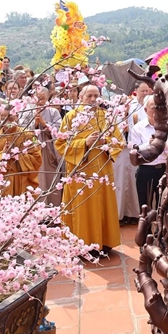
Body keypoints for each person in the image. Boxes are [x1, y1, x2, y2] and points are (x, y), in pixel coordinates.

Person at [55, 84, 125, 255]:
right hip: (80, 173)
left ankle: (105, 242)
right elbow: (61, 144)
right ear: (80, 97)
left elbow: (119, 141)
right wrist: (83, 143)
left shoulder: (106, 116)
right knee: (82, 207)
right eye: (89, 96)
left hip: (102, 170)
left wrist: (107, 142)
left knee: (103, 205)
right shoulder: (71, 117)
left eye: (96, 96)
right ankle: (81, 245)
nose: (93, 99)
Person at [0, 98, 42, 197]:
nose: (7, 122)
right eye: (3, 118)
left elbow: (37, 158)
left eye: (11, 119)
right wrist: (2, 156)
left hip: (20, 181)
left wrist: (18, 156)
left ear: (17, 117)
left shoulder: (29, 135)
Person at [128, 95, 167, 210]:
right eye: (153, 107)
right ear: (145, 110)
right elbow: (134, 150)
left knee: (164, 205)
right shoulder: (138, 128)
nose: (156, 110)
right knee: (145, 206)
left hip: (164, 169)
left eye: (159, 107)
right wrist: (148, 144)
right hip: (145, 170)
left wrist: (162, 143)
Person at [28, 87, 63, 205]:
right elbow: (22, 131)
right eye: (37, 98)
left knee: (50, 179)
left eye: (43, 98)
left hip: (48, 152)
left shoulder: (53, 112)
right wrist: (35, 125)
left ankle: (52, 207)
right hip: (32, 152)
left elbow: (59, 131)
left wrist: (44, 124)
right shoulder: (27, 111)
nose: (40, 101)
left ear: (48, 98)